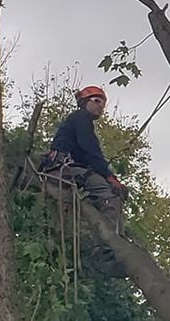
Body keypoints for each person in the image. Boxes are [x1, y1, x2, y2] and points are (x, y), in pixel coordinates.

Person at [43, 85, 127, 223]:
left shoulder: (77, 121)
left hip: (69, 169)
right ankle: (109, 239)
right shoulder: (81, 117)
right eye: (96, 100)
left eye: (103, 104)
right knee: (111, 194)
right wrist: (108, 176)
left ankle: (105, 233)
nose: (101, 106)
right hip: (63, 168)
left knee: (104, 192)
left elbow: (86, 153)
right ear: (84, 102)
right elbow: (90, 148)